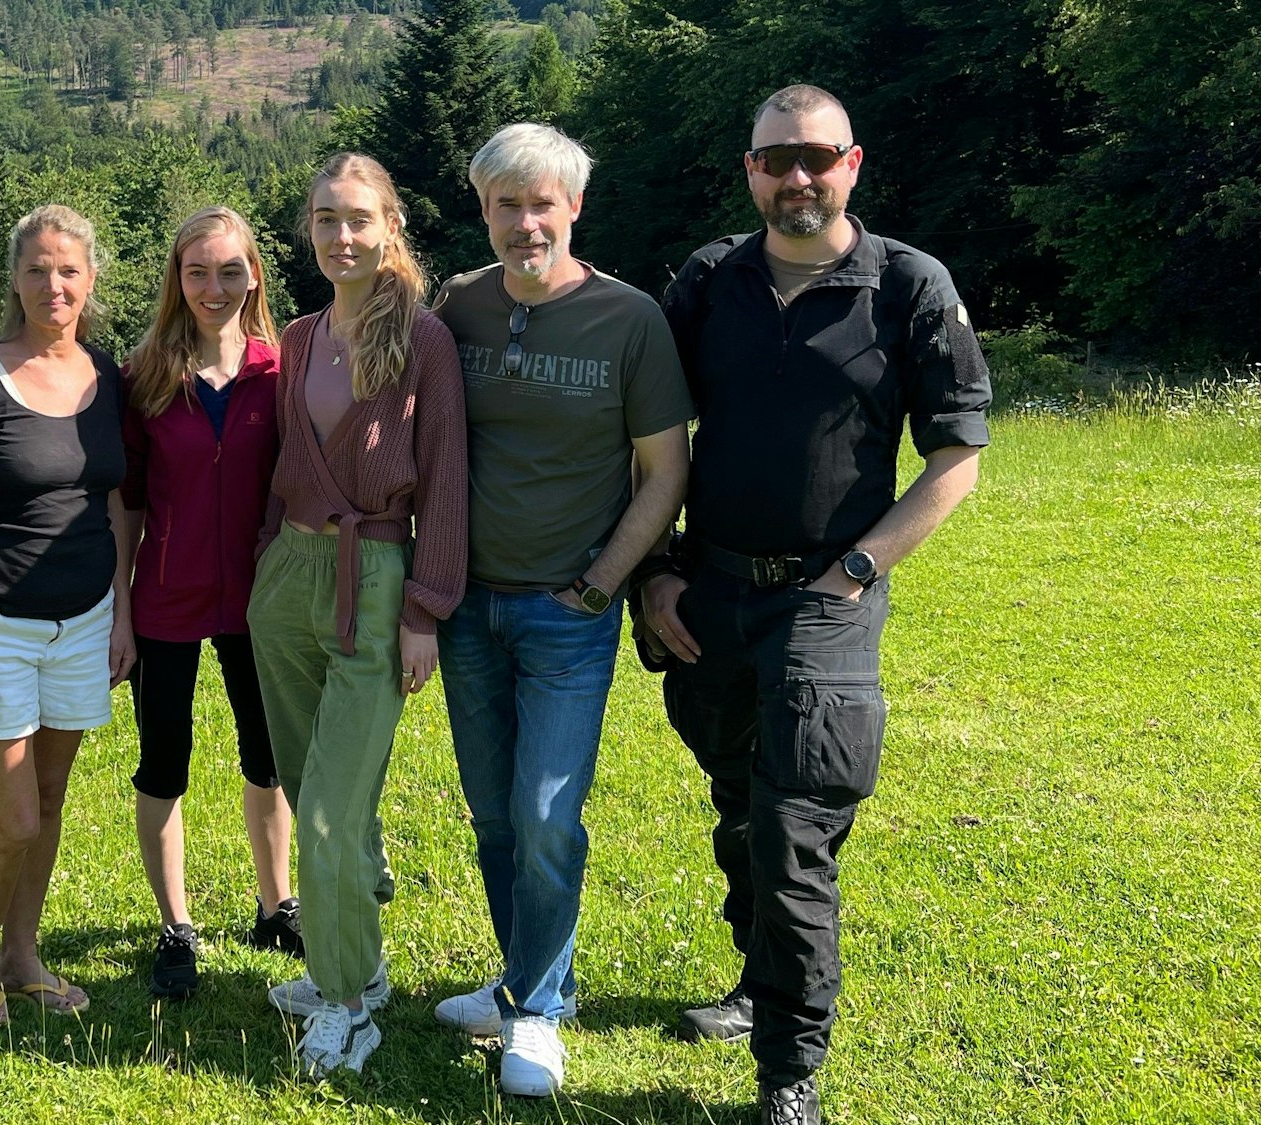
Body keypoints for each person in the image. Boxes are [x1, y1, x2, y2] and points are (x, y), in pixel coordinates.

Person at [646, 84, 992, 1124]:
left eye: (814, 157)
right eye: (772, 159)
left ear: (851, 163)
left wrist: (855, 572)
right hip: (703, 590)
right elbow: (649, 439)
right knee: (738, 804)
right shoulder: (707, 282)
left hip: (825, 597)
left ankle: (786, 1071)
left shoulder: (907, 287)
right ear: (748, 169)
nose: (794, 176)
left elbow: (955, 457)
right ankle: (756, 981)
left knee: (794, 825)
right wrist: (652, 572)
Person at [427, 122, 694, 1097]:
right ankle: (526, 982)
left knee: (546, 815)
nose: (524, 221)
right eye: (506, 204)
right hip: (466, 609)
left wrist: (598, 584)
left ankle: (536, 1015)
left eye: (542, 203)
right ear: (485, 212)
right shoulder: (455, 311)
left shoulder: (629, 321)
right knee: (494, 815)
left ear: (573, 208)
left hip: (566, 615)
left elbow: (664, 471)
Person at [252, 153, 469, 1078]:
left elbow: (448, 484)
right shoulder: (298, 336)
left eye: (359, 220)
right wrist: (267, 561)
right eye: (326, 220)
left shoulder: (424, 340)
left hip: (375, 579)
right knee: (312, 790)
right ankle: (364, 960)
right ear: (310, 229)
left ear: (391, 227)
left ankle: (344, 999)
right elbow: (277, 464)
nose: (343, 237)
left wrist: (425, 608)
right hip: (288, 580)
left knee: (332, 817)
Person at [0, 204, 133, 1028]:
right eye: (38, 268)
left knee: (49, 799)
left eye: (69, 269)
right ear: (15, 277)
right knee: (11, 816)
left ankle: (24, 953)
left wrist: (121, 611)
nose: (55, 284)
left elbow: (116, 502)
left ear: (90, 279)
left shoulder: (108, 377)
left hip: (84, 622)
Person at [117, 207, 298, 1000]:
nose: (214, 287)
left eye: (230, 270)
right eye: (198, 272)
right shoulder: (145, 376)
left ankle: (276, 904)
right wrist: (121, 609)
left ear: (254, 273)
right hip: (165, 600)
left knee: (269, 756)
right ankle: (176, 926)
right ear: (177, 279)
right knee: (164, 763)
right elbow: (124, 502)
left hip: (263, 604)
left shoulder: (283, 370)